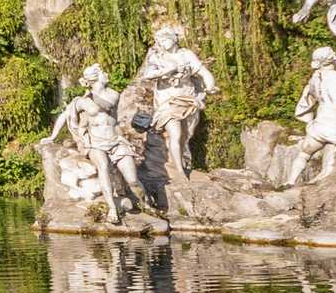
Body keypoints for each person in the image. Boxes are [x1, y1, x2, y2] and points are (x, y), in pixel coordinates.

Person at [41, 64, 148, 224]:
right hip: (95, 142)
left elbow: (111, 112)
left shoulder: (113, 95)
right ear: (96, 78)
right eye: (103, 73)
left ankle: (146, 204)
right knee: (103, 165)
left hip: (115, 140)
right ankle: (112, 209)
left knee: (132, 179)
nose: (106, 74)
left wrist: (123, 137)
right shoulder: (83, 101)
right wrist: (52, 135)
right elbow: (65, 115)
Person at [136, 23, 217, 178]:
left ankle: (178, 163)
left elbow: (203, 72)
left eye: (165, 39)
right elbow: (148, 75)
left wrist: (210, 85)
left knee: (186, 134)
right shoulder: (157, 57)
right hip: (167, 100)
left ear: (173, 39)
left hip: (188, 99)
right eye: (159, 40)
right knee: (175, 134)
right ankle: (179, 171)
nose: (162, 43)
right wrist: (169, 70)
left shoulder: (186, 55)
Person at [289, 47, 336, 185]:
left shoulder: (314, 81)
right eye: (334, 53)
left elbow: (308, 99)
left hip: (322, 123)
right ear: (331, 58)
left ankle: (290, 181)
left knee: (304, 153)